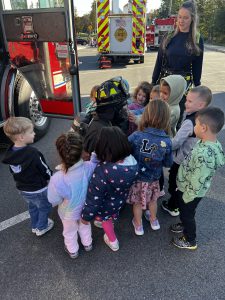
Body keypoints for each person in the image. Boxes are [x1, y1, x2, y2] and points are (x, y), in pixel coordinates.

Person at [171, 107, 225, 250]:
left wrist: (187, 196)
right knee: (187, 212)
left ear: (203, 128)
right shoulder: (211, 143)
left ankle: (190, 240)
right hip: (190, 189)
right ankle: (184, 223)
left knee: (188, 214)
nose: (194, 126)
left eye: (195, 124)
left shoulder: (204, 155)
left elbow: (197, 179)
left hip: (190, 192)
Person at [81, 126, 138, 252]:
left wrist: (86, 217)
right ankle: (107, 221)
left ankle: (113, 241)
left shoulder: (102, 171)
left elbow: (93, 198)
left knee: (107, 221)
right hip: (119, 200)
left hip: (106, 205)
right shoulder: (133, 162)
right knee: (111, 215)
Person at [152, 0, 204, 129]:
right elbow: (159, 61)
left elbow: (198, 67)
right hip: (164, 84)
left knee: (175, 122)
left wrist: (198, 89)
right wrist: (153, 83)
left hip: (182, 87)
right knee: (158, 118)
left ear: (192, 19)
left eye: (185, 18)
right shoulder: (168, 36)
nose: (181, 21)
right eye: (179, 17)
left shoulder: (197, 39)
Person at [161, 86, 212, 217]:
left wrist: (164, 143)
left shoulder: (190, 122)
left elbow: (176, 142)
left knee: (174, 183)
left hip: (181, 159)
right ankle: (176, 202)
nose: (185, 103)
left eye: (189, 101)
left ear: (200, 105)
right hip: (192, 159)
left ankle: (173, 206)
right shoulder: (204, 118)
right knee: (183, 183)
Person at [48, 132, 97, 259]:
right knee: (85, 225)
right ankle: (88, 243)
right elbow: (94, 162)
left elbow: (53, 200)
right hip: (85, 207)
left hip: (68, 212)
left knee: (69, 231)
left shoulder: (57, 178)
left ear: (60, 154)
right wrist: (94, 154)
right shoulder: (88, 167)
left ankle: (73, 250)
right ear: (82, 152)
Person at [127, 100, 173, 235]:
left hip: (137, 177)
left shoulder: (137, 135)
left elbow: (125, 149)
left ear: (146, 115)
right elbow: (168, 163)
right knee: (153, 200)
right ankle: (153, 220)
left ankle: (138, 225)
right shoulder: (167, 141)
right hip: (154, 178)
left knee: (137, 202)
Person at [2, 117, 53, 236]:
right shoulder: (33, 153)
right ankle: (42, 227)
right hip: (38, 189)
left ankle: (34, 225)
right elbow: (43, 168)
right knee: (44, 207)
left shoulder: (10, 153)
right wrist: (51, 176)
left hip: (23, 189)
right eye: (31, 132)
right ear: (21, 137)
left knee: (33, 206)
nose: (34, 133)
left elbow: (13, 170)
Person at [83, 77, 130, 156]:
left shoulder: (110, 120)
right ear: (114, 107)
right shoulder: (101, 132)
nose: (125, 108)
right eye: (122, 105)